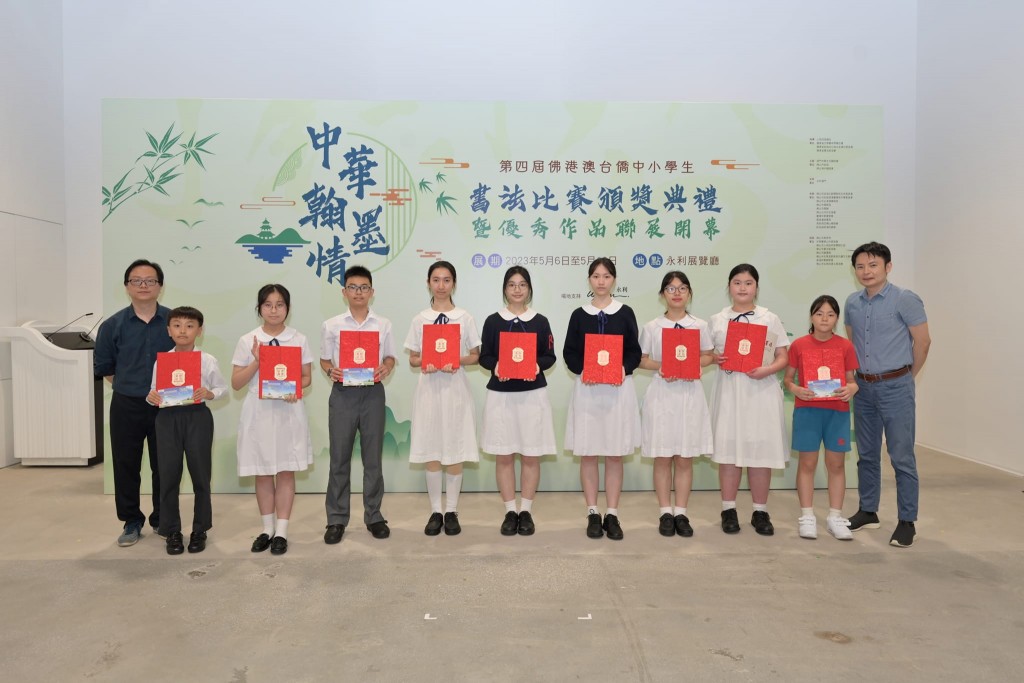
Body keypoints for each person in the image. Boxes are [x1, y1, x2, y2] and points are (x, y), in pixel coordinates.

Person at [844, 242, 930, 548]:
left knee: (901, 456)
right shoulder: (852, 303)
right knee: (867, 454)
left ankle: (907, 521)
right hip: (863, 388)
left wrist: (906, 378)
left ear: (887, 267)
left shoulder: (905, 299)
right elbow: (852, 345)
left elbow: (923, 343)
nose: (866, 271)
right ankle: (868, 511)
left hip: (896, 386)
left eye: (873, 265)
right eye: (860, 266)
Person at [94, 259, 175, 547]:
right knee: (126, 465)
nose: (143, 285)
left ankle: (163, 518)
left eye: (150, 280)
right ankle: (131, 521)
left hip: (165, 406)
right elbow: (106, 368)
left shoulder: (174, 322)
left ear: (160, 286)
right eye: (136, 280)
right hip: (126, 405)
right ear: (127, 286)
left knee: (164, 465)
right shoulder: (112, 325)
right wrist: (131, 387)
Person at [563, 257, 641, 541]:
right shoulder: (579, 314)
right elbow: (569, 352)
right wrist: (583, 370)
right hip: (588, 390)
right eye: (596, 276)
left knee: (615, 453)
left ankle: (613, 513)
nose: (601, 281)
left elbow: (634, 351)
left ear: (614, 280)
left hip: (618, 390)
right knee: (589, 452)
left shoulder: (625, 312)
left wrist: (623, 368)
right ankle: (593, 512)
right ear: (589, 280)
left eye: (606, 276)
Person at [231, 284, 313, 556]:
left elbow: (306, 377)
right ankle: (266, 529)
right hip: (259, 412)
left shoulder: (298, 339)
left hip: (289, 411)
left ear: (288, 308)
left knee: (286, 470)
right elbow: (236, 383)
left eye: (280, 305)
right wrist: (257, 360)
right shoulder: (248, 340)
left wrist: (295, 388)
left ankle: (282, 532)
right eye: (268, 305)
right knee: (263, 471)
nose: (274, 310)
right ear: (259, 308)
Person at [709, 264, 790, 536]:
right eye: (737, 282)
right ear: (729, 287)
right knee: (729, 453)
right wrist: (715, 358)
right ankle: (728, 509)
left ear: (756, 287)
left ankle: (760, 511)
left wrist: (768, 369)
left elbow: (783, 356)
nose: (742, 288)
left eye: (748, 283)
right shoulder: (717, 319)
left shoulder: (769, 318)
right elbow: (707, 354)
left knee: (760, 452)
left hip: (761, 391)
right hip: (729, 391)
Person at [478, 266, 557, 536]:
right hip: (501, 396)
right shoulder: (493, 321)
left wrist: (536, 365)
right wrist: (496, 365)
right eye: (512, 284)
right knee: (504, 454)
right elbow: (485, 356)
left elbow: (550, 356)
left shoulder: (540, 321)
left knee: (530, 455)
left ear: (529, 289)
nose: (517, 289)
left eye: (522, 284)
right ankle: (510, 510)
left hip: (532, 395)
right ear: (504, 289)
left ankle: (526, 511)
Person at [320, 266, 396, 544]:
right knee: (339, 458)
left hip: (373, 394)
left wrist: (386, 367)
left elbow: (390, 357)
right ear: (344, 292)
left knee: (372, 459)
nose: (359, 292)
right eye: (353, 287)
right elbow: (325, 360)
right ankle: (336, 519)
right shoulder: (332, 325)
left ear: (372, 292)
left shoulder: (383, 324)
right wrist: (331, 371)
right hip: (343, 394)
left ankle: (374, 516)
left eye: (364, 287)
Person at [405, 261, 481, 536]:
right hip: (429, 390)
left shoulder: (464, 317)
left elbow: (475, 355)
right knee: (432, 448)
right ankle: (435, 511)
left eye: (446, 280)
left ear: (454, 284)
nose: (441, 285)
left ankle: (451, 510)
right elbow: (413, 359)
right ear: (428, 283)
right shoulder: (420, 319)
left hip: (455, 389)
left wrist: (455, 360)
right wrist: (426, 361)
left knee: (455, 447)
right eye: (436, 280)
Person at [145, 306, 227, 555]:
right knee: (168, 475)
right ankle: (171, 531)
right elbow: (154, 390)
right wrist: (151, 397)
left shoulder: (207, 360)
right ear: (169, 330)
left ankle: (200, 529)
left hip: (197, 417)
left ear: (199, 331)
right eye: (177, 325)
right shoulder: (162, 361)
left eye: (190, 326)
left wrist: (209, 393)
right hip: (167, 419)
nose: (183, 331)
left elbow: (222, 389)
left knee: (201, 475)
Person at [638, 271, 714, 538]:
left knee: (684, 457)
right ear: (662, 295)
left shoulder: (700, 325)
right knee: (662, 456)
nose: (677, 293)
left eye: (682, 288)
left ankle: (681, 512)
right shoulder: (652, 327)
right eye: (670, 288)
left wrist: (694, 364)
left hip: (690, 394)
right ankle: (665, 513)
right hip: (662, 393)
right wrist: (663, 366)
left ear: (689, 293)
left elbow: (708, 356)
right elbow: (641, 360)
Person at [783, 295, 859, 541]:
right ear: (811, 317)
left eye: (830, 314)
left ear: (837, 318)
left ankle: (835, 517)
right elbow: (787, 380)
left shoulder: (845, 346)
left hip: (837, 412)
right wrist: (796, 389)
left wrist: (852, 388)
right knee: (807, 464)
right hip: (807, 412)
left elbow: (852, 380)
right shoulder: (799, 345)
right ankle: (807, 516)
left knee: (836, 465)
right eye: (819, 314)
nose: (824, 319)